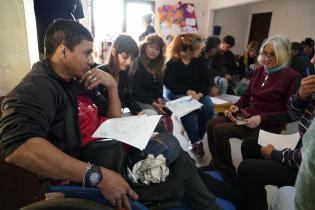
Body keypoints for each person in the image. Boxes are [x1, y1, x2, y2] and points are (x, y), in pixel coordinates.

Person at [0, 20, 222, 210]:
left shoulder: (77, 79)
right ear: (63, 50)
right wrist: (96, 175)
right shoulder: (39, 85)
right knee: (177, 161)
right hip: (99, 163)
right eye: (86, 52)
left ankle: (213, 195)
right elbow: (17, 147)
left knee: (166, 141)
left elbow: (113, 120)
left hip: (113, 151)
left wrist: (112, 86)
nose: (91, 59)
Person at [206, 35, 300, 183]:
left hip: (267, 125)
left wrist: (262, 118)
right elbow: (247, 94)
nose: (267, 59)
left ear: (282, 55)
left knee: (220, 130)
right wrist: (236, 106)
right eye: (265, 54)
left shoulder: (292, 77)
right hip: (247, 116)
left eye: (272, 55)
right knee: (211, 124)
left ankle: (227, 172)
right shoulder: (260, 70)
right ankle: (217, 163)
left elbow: (291, 114)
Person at [163, 33, 214, 160]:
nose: (201, 49)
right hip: (177, 92)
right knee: (188, 110)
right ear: (187, 50)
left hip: (197, 93)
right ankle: (195, 142)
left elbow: (206, 80)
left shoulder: (199, 59)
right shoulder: (173, 62)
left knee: (208, 109)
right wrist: (187, 91)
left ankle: (199, 138)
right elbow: (170, 82)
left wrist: (200, 94)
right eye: (198, 48)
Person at [98, 34, 142, 115]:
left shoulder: (125, 74)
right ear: (114, 52)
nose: (129, 62)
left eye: (132, 59)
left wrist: (138, 111)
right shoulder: (101, 73)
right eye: (125, 56)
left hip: (120, 115)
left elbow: (128, 98)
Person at [130, 34, 167, 115]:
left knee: (170, 110)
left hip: (154, 99)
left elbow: (159, 85)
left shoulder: (158, 64)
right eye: (151, 47)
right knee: (154, 114)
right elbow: (136, 90)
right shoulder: (137, 62)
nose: (154, 51)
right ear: (145, 46)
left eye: (157, 49)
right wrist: (154, 103)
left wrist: (159, 98)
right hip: (139, 99)